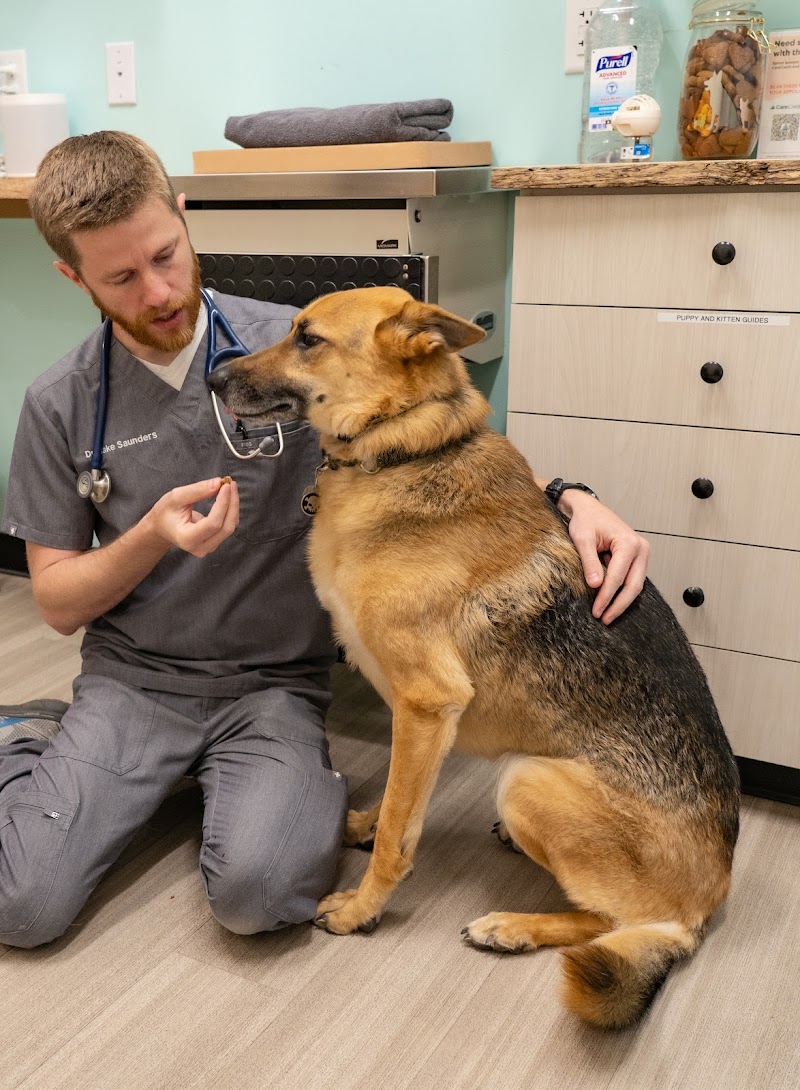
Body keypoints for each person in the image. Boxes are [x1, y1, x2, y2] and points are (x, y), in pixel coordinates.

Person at [0, 131, 650, 949]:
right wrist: (150, 538)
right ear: (73, 276)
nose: (160, 291)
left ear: (184, 217)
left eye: (167, 254)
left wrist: (570, 497)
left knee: (260, 896)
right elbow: (56, 604)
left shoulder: (302, 346)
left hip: (272, 686)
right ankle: (28, 741)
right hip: (136, 681)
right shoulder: (59, 401)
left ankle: (181, 785)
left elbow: (443, 445)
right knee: (22, 908)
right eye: (121, 278)